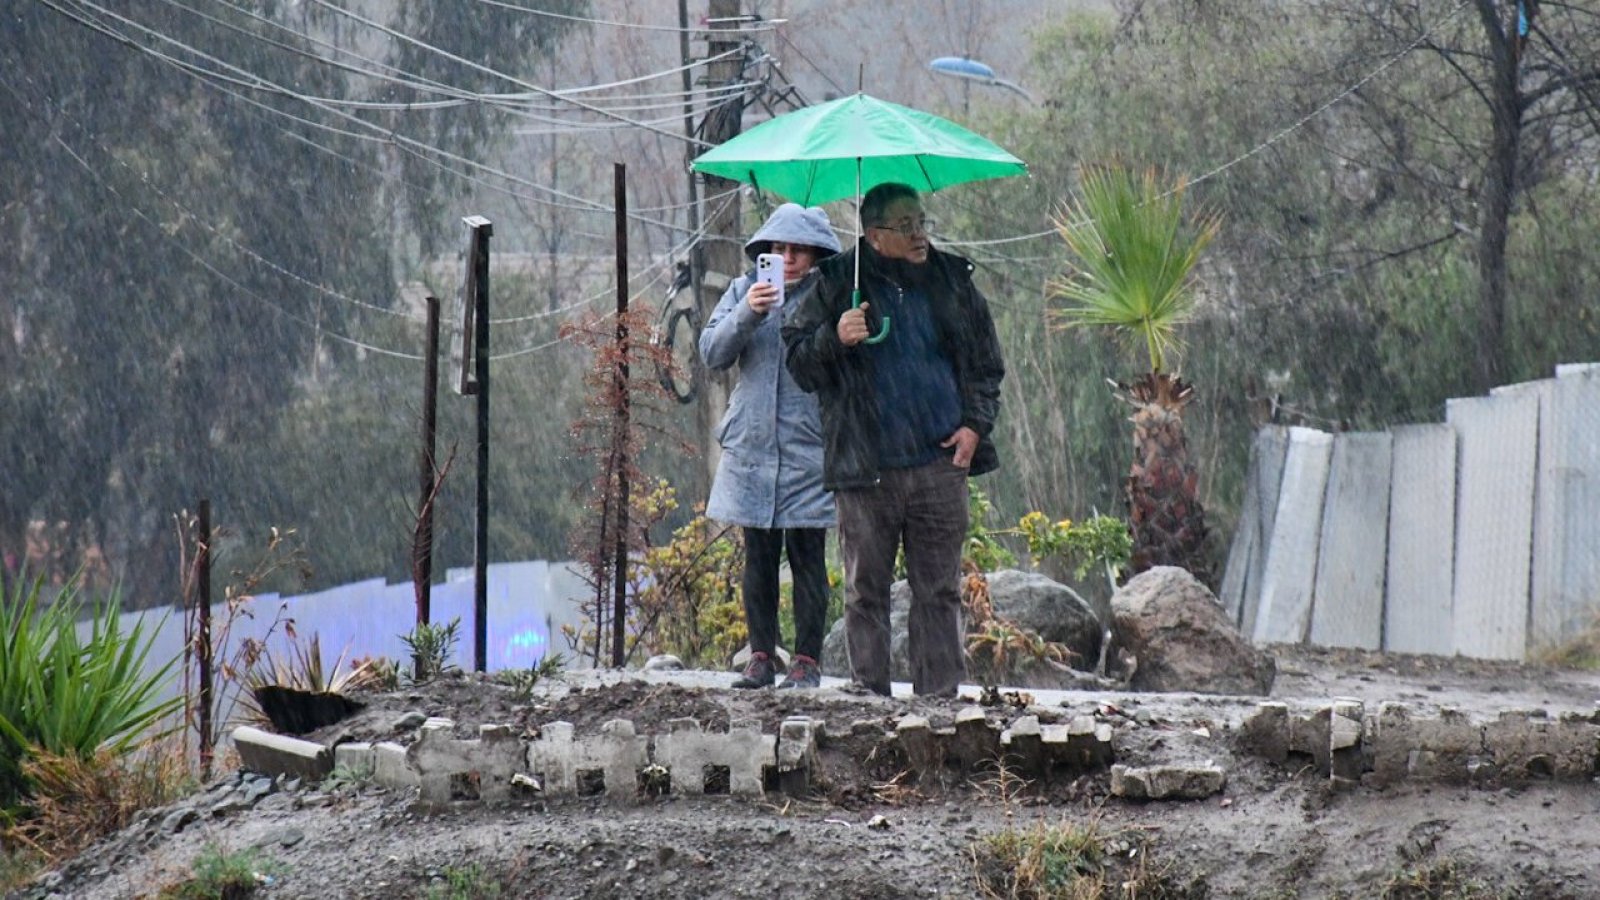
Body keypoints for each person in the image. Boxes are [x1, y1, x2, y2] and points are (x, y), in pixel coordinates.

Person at [782, 183, 1005, 697]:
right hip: (866, 468)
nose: (919, 234)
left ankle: (942, 702)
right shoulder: (837, 282)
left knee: (940, 591)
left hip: (939, 461)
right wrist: (833, 338)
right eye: (905, 226)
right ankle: (869, 699)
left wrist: (975, 426)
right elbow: (798, 363)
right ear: (874, 236)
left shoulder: (952, 280)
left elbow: (986, 365)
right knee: (866, 592)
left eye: (921, 221)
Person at [699, 203, 842, 689]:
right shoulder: (744, 292)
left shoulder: (831, 297)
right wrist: (748, 313)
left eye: (799, 249)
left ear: (817, 254)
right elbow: (713, 353)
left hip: (808, 447)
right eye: (779, 249)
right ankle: (760, 656)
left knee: (807, 556)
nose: (789, 258)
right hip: (753, 447)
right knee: (758, 556)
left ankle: (807, 660)